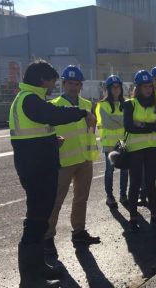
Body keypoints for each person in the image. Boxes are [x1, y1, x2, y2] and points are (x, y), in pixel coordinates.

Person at [10, 60, 95, 287]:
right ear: (42, 80)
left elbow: (32, 134)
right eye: (51, 82)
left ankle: (39, 267)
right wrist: (82, 112)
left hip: (40, 166)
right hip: (36, 170)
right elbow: (54, 115)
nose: (52, 87)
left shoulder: (31, 99)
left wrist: (50, 141)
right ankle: (30, 276)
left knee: (39, 219)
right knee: (36, 221)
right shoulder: (29, 99)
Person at [44, 65, 101, 257]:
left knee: (81, 198)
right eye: (70, 83)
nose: (74, 87)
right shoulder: (54, 105)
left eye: (77, 84)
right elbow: (47, 132)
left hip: (84, 159)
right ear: (63, 83)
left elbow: (91, 130)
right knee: (56, 200)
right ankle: (48, 237)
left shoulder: (86, 104)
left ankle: (79, 232)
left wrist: (93, 124)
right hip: (64, 161)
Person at [123, 70, 156, 232]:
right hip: (135, 149)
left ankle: (154, 215)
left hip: (153, 148)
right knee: (134, 182)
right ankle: (133, 216)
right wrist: (151, 127)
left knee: (150, 182)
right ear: (138, 87)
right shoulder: (130, 104)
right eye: (144, 86)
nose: (148, 89)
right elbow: (129, 126)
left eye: (150, 86)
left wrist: (141, 125)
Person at [96, 75, 128, 208]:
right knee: (109, 171)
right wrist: (122, 121)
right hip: (109, 144)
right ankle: (109, 196)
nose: (116, 89)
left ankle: (123, 195)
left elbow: (128, 122)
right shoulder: (102, 105)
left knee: (125, 170)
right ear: (108, 89)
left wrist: (114, 119)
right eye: (113, 87)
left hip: (124, 143)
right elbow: (108, 124)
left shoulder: (126, 103)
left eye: (118, 87)